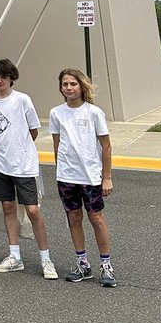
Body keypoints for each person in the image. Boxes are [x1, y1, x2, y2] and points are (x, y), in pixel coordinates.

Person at [0, 59, 57, 279]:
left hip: (23, 165)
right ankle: (14, 255)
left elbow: (33, 130)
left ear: (11, 78)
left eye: (3, 76)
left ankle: (46, 259)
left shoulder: (22, 100)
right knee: (7, 207)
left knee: (33, 211)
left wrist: (21, 148)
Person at [49, 68, 116, 287]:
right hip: (67, 176)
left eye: (72, 84)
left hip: (91, 176)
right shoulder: (56, 113)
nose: (68, 88)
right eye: (65, 84)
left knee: (96, 218)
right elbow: (57, 144)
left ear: (81, 86)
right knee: (74, 218)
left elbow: (106, 146)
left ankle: (106, 265)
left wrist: (106, 177)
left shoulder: (94, 113)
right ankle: (82, 263)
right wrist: (60, 171)